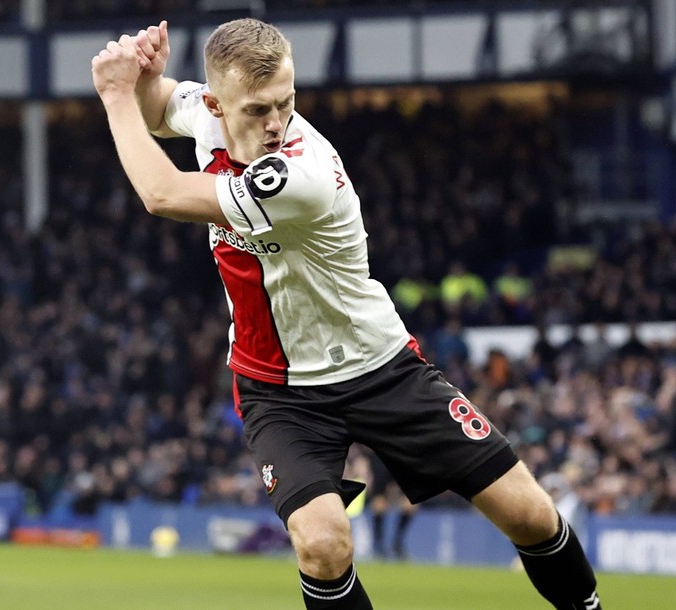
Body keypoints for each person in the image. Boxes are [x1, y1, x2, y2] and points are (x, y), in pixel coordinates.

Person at [91, 18, 602, 609]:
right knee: (323, 544)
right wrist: (147, 77)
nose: (276, 123)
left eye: (286, 103)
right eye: (258, 110)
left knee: (531, 515)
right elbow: (158, 113)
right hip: (277, 387)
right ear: (215, 104)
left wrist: (114, 93)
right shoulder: (208, 114)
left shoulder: (300, 174)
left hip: (380, 367)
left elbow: (164, 195)